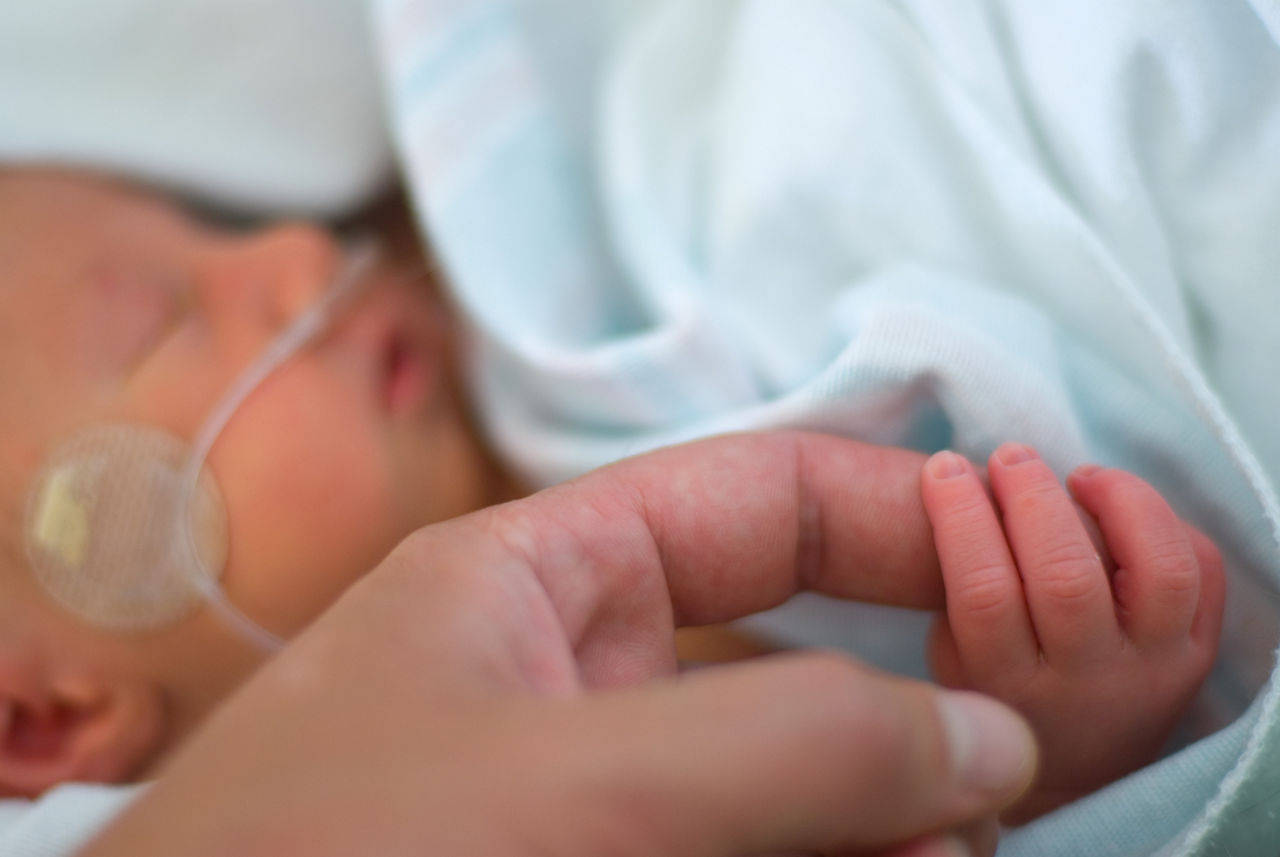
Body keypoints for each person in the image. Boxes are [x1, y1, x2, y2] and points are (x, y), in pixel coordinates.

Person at [0, 167, 1221, 835]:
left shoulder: (550, 347)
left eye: (220, 219)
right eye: (164, 321)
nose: (295, 254)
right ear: (44, 719)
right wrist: (1060, 755)